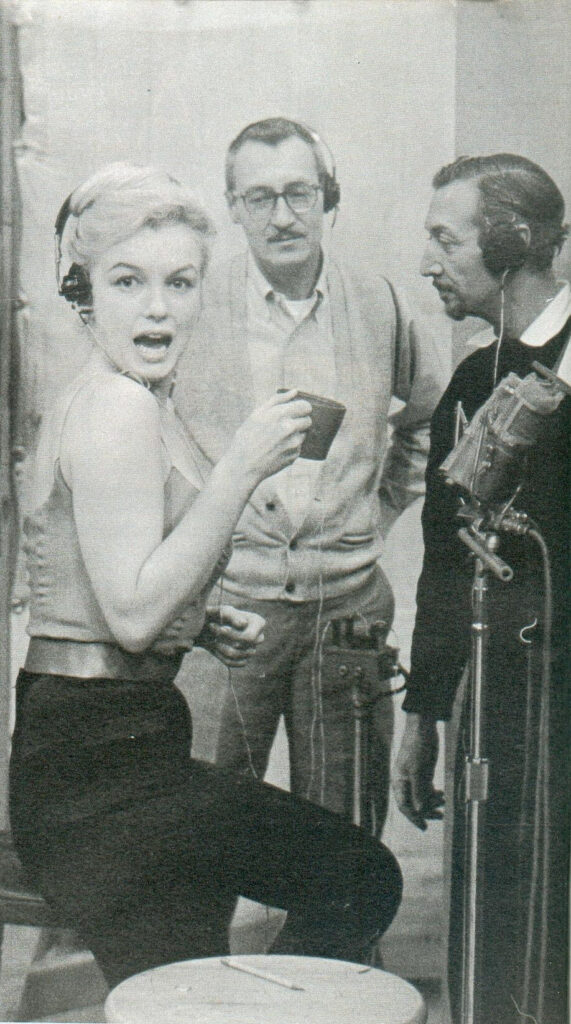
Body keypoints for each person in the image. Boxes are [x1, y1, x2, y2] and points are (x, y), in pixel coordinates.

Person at [8, 162, 403, 990]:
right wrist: (242, 469)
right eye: (128, 281)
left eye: (180, 282)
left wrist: (198, 622)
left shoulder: (130, 396)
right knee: (358, 876)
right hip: (98, 770)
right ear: (82, 293)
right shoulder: (118, 405)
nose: (157, 307)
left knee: (187, 978)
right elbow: (131, 616)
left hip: (108, 747)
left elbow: (112, 590)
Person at [176, 117, 445, 833]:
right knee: (201, 828)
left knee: (345, 833)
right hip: (225, 611)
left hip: (346, 609)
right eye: (259, 197)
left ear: (328, 197)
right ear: (232, 207)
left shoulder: (379, 301)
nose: (282, 216)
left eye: (299, 193)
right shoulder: (189, 304)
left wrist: (376, 510)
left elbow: (431, 416)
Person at [392, 154, 570, 1024]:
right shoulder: (473, 380)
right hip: (500, 706)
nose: (427, 260)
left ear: (513, 242)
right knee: (495, 916)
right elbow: (443, 560)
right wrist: (423, 714)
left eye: (445, 238)